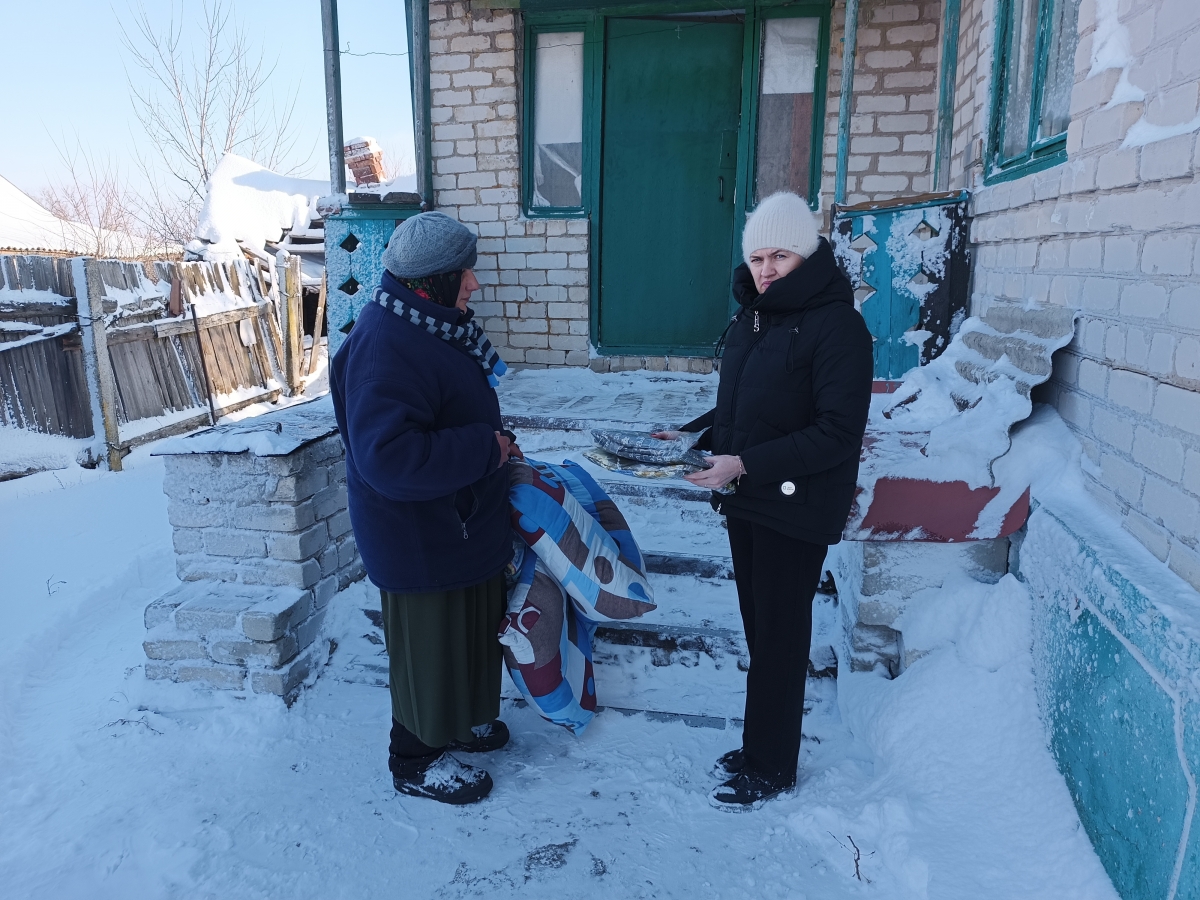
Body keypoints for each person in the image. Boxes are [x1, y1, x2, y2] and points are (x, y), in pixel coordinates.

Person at [656, 191, 873, 809]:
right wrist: (694, 434)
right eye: (757, 257)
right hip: (747, 494)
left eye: (781, 255)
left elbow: (836, 432)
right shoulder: (757, 316)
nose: (767, 268)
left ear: (807, 255)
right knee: (761, 630)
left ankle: (773, 766)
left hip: (792, 503)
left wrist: (744, 462)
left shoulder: (839, 328)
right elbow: (744, 406)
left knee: (780, 636)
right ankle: (759, 747)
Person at [330, 211, 520, 805]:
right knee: (430, 651)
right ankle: (414, 758)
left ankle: (460, 724)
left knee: (467, 633)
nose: (475, 285)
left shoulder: (430, 326)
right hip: (420, 537)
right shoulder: (385, 347)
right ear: (431, 280)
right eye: (465, 273)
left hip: (458, 525)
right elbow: (388, 458)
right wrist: (483, 448)